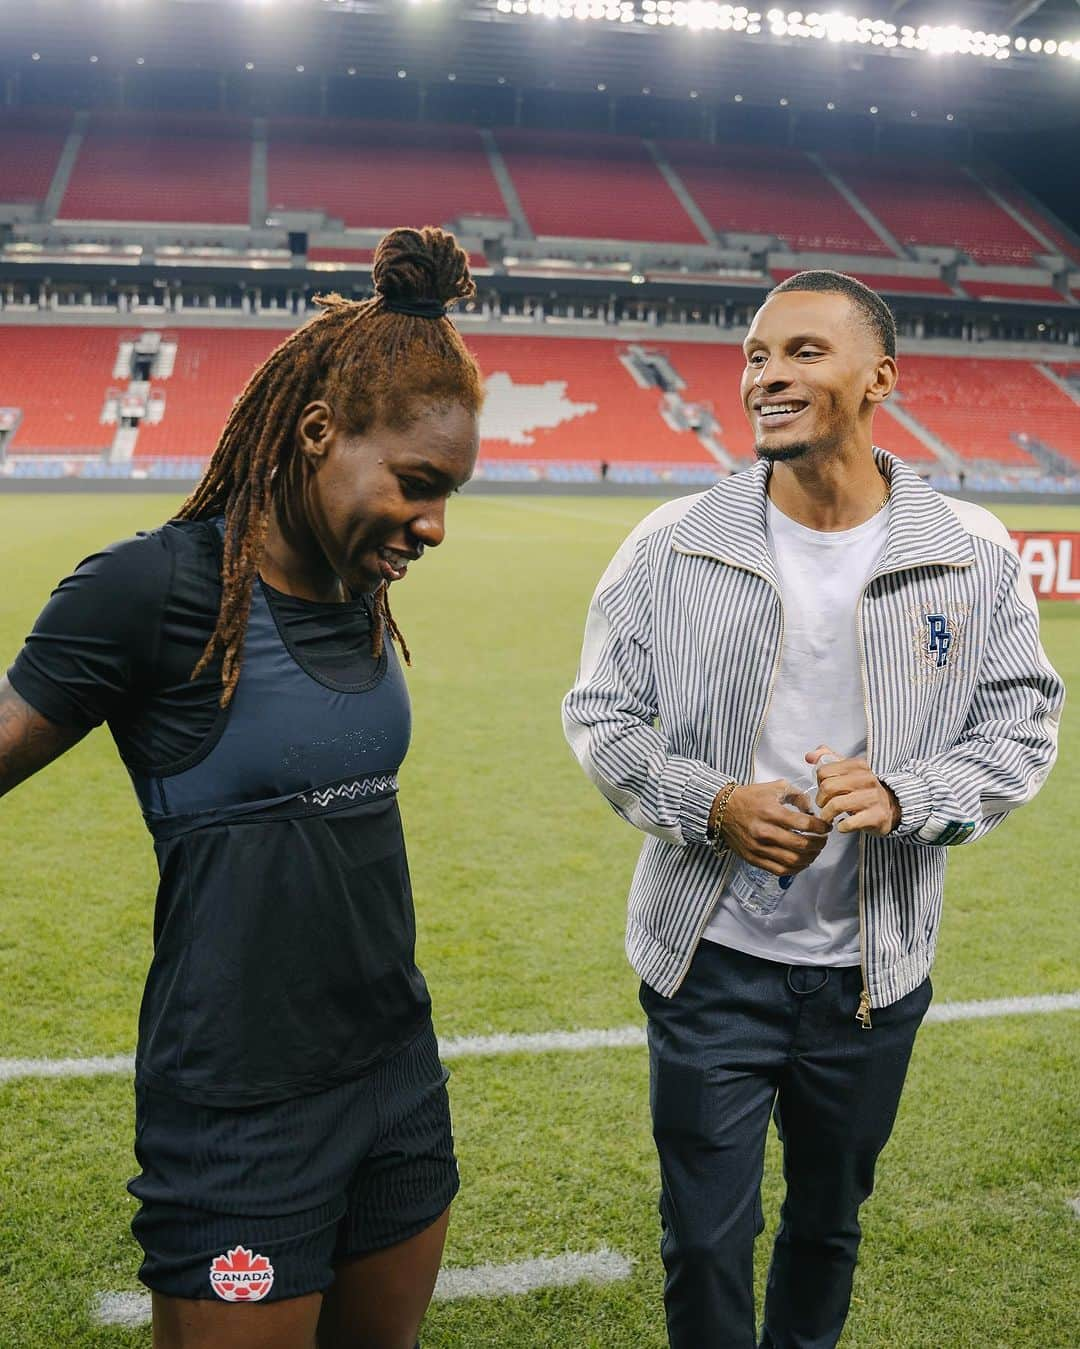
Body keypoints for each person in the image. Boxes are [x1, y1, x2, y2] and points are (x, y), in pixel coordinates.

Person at [0, 226, 483, 1349]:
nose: (434, 526)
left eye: (451, 493)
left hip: (396, 1078)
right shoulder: (154, 589)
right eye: (417, 485)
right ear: (318, 432)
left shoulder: (361, 585)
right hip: (237, 1110)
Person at [562, 270, 1063, 1349]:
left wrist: (906, 793)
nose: (768, 376)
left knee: (828, 1225)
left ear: (881, 377)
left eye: (802, 351)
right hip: (711, 960)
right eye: (755, 355)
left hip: (870, 975)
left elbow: (1023, 731)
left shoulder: (968, 550)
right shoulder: (672, 541)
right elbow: (603, 719)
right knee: (703, 1238)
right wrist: (714, 803)